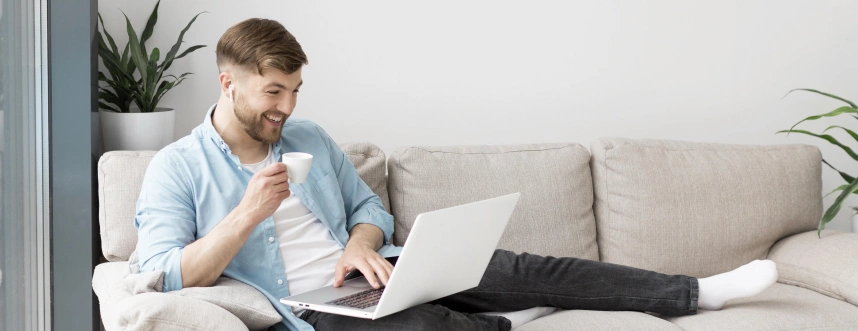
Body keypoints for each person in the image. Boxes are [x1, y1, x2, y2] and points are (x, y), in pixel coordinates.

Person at [134, 18, 779, 331]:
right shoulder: (178, 167)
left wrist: (362, 246)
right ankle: (507, 322)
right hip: (312, 312)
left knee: (529, 267)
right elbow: (161, 273)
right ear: (228, 84)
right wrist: (249, 211)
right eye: (275, 92)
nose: (288, 107)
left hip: (380, 271)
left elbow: (371, 211)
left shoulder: (308, 138)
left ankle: (695, 293)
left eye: (296, 90)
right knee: (426, 329)